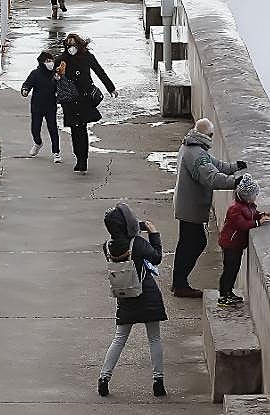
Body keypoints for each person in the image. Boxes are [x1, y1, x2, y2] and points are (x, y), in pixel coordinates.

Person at [172, 118, 248, 298]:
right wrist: (236, 182)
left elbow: (215, 165)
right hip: (191, 208)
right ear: (207, 135)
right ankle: (180, 284)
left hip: (187, 205)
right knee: (194, 243)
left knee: (187, 244)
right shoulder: (196, 154)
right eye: (211, 135)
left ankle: (179, 282)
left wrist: (234, 167)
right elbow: (211, 178)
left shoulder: (192, 146)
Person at [99, 203, 168, 397]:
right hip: (147, 295)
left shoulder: (107, 246)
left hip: (126, 296)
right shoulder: (137, 243)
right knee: (154, 338)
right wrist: (153, 234)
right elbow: (156, 257)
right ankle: (158, 381)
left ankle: (104, 378)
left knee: (119, 339)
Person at [56, 33, 118, 174]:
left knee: (82, 129)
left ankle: (82, 160)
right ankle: (78, 157)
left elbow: (100, 72)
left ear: (78, 45)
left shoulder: (87, 57)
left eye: (73, 45)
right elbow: (51, 76)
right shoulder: (62, 59)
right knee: (74, 130)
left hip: (84, 99)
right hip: (70, 100)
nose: (70, 48)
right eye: (68, 46)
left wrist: (111, 88)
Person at [217, 174, 270, 306]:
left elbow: (251, 215)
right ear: (247, 196)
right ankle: (223, 296)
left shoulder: (248, 206)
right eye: (254, 195)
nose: (256, 197)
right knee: (229, 270)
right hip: (230, 244)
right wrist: (258, 222)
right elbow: (242, 225)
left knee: (234, 269)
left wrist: (260, 215)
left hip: (237, 245)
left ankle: (229, 293)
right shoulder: (235, 209)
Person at [21, 51, 61, 163]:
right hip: (37, 105)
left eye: (51, 60)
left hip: (51, 105)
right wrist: (25, 90)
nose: (50, 63)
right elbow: (27, 83)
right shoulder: (35, 73)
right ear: (42, 62)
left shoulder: (56, 74)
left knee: (53, 128)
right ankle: (38, 143)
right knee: (35, 128)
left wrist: (60, 80)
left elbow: (63, 87)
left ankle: (56, 152)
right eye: (47, 61)